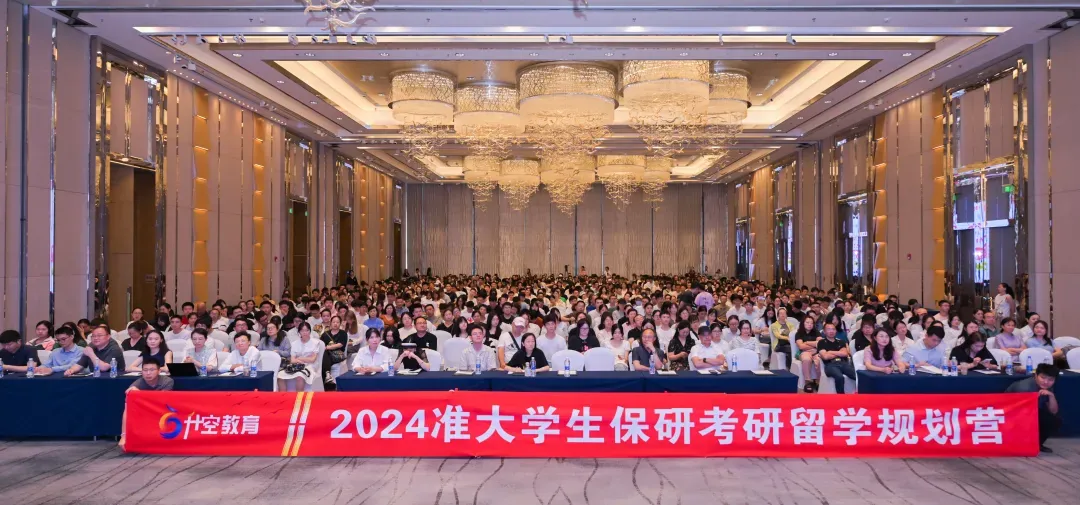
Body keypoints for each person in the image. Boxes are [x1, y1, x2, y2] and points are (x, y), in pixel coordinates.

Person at [1006, 363, 1060, 453]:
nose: (1046, 382)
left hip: (1031, 411)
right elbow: (1019, 412)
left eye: (1050, 379)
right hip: (1012, 413)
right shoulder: (1025, 388)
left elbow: (1053, 411)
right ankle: (1023, 444)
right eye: (1043, 378)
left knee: (1054, 420)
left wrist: (1051, 396)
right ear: (1035, 375)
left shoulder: (1047, 387)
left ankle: (1037, 444)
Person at [279, 322, 321, 390]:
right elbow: (292, 360)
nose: (305, 332)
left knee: (300, 376)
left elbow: (312, 359)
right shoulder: (294, 343)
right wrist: (300, 360)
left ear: (310, 331)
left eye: (307, 330)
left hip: (310, 365)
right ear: (299, 332)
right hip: (297, 365)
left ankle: (299, 396)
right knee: (280, 375)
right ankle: (283, 395)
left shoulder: (315, 343)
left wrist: (300, 358)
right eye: (302, 330)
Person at [817, 321, 855, 393]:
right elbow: (825, 357)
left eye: (833, 329)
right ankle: (841, 397)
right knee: (839, 377)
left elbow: (845, 354)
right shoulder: (821, 342)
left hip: (843, 363)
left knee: (856, 375)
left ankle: (861, 394)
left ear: (836, 331)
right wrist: (839, 353)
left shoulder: (841, 342)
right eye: (829, 329)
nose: (831, 331)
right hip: (830, 365)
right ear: (824, 332)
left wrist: (830, 352)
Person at [794, 315, 822, 392]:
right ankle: (808, 381)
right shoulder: (799, 333)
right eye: (807, 322)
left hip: (816, 352)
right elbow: (801, 346)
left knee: (819, 360)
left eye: (811, 323)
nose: (810, 324)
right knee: (806, 359)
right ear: (803, 323)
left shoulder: (816, 332)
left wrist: (806, 342)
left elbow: (820, 343)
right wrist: (814, 345)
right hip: (804, 352)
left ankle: (818, 381)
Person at [321, 315, 348, 384]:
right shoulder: (325, 334)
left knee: (325, 353)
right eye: (334, 322)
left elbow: (340, 344)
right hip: (326, 355)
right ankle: (327, 375)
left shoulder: (343, 333)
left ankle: (327, 374)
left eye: (337, 322)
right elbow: (321, 345)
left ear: (340, 323)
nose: (335, 324)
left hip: (338, 355)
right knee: (325, 354)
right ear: (330, 323)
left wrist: (327, 347)